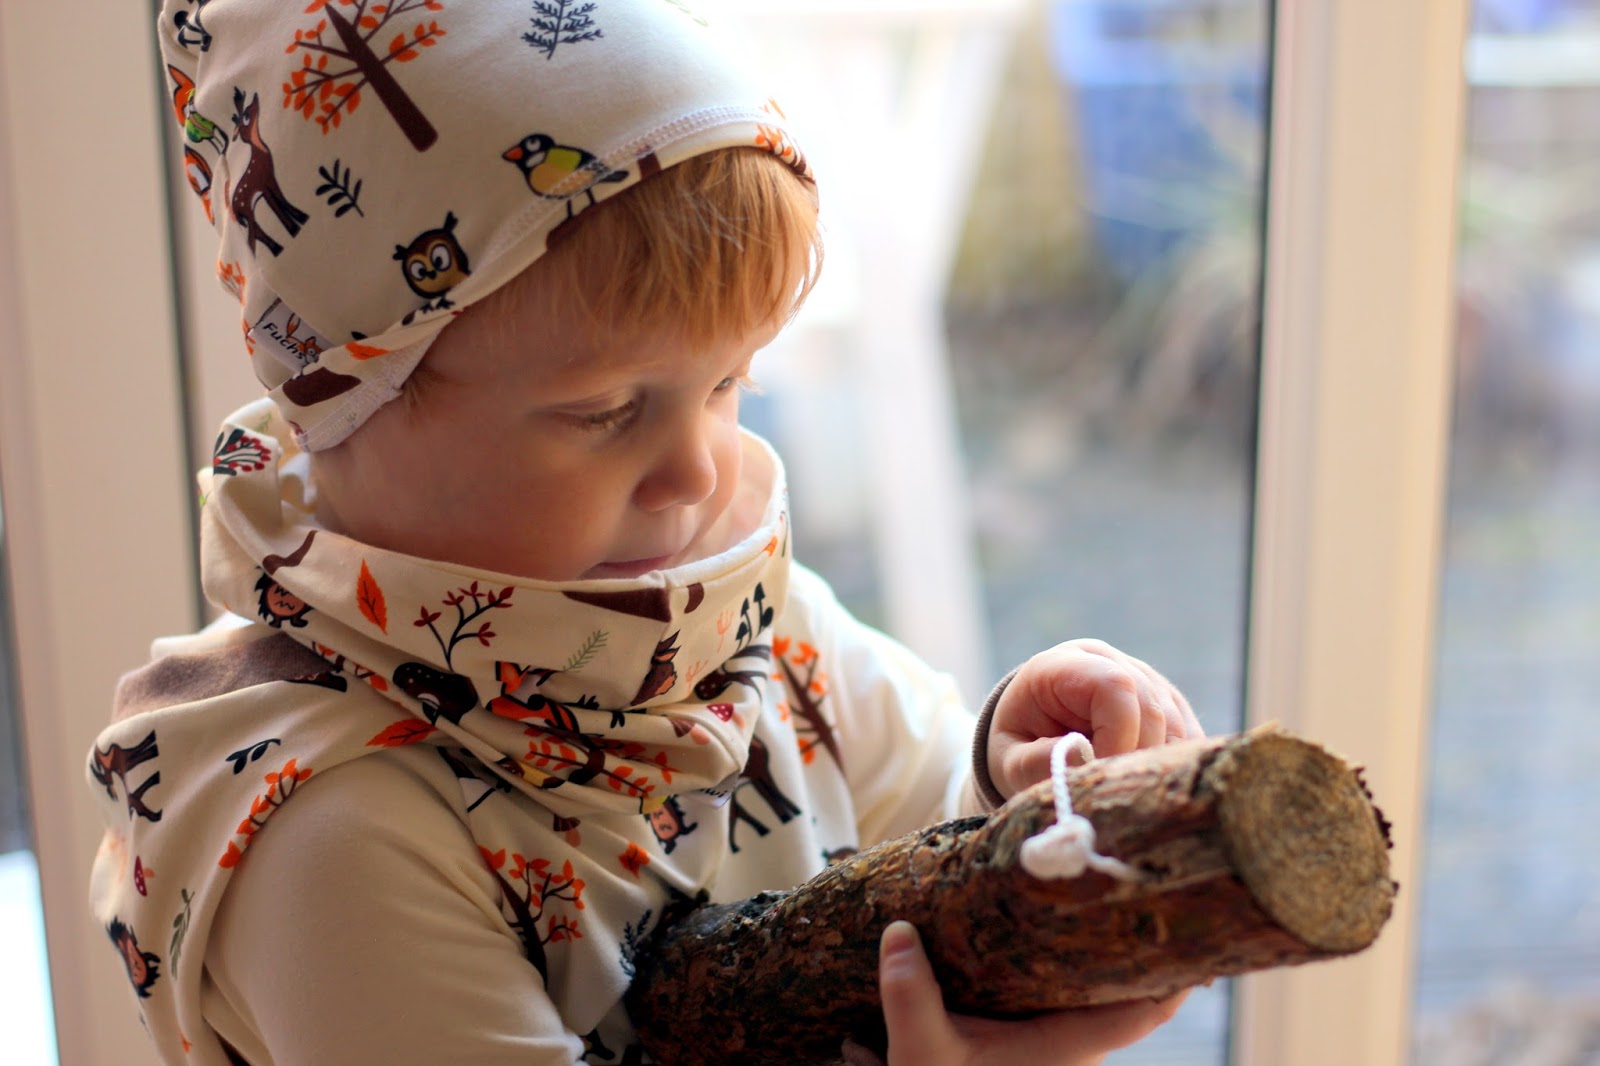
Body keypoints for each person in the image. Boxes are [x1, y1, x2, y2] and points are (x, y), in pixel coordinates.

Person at [89, 2, 1203, 1063]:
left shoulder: (730, 617)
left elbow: (927, 824)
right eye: (604, 411)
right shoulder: (337, 836)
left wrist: (1010, 776)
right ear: (346, 403)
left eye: (727, 384)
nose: (698, 471)